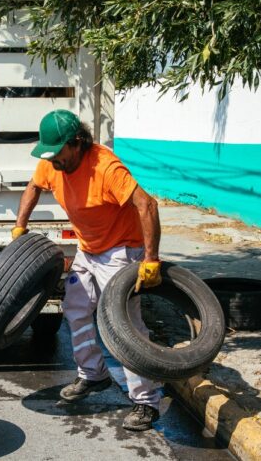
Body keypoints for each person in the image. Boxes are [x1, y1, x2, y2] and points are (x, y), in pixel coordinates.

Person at [12, 109, 164, 431]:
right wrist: (19, 227)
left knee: (125, 325)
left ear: (77, 143)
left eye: (57, 154)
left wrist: (151, 260)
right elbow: (33, 187)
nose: (52, 161)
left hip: (122, 250)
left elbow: (147, 205)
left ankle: (146, 402)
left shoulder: (105, 167)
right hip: (89, 248)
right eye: (47, 154)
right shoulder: (51, 163)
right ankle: (93, 374)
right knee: (75, 308)